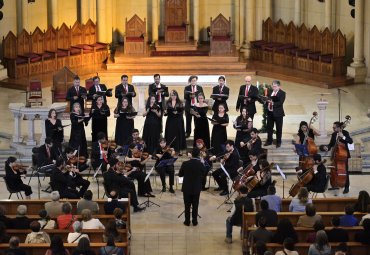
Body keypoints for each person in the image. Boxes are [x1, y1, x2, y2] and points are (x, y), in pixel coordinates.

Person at [322, 120, 353, 193]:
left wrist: (343, 137)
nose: (333, 129)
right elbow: (331, 144)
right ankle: (336, 183)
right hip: (336, 156)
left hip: (343, 155)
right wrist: (327, 147)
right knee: (335, 170)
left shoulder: (345, 133)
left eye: (334, 127)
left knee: (345, 171)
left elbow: (350, 141)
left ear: (339, 128)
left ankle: (346, 186)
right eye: (333, 127)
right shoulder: (333, 134)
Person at [178, 147, 206, 226]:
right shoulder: (200, 164)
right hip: (196, 187)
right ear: (198, 155)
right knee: (195, 205)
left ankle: (187, 221)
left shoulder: (185, 163)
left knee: (187, 205)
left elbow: (180, 175)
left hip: (186, 187)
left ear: (191, 154)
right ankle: (195, 221)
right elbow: (204, 174)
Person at [264, 80, 286, 148]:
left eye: (275, 86)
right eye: (273, 86)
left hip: (278, 114)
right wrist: (265, 101)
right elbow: (267, 99)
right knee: (269, 128)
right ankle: (269, 140)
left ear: (279, 86)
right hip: (270, 113)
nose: (273, 88)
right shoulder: (270, 92)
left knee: (279, 129)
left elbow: (280, 103)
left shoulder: (282, 93)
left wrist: (272, 103)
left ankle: (278, 142)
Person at [164, 90, 186, 154]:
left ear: (176, 95)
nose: (173, 96)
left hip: (178, 120)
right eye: (172, 95)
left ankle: (178, 149)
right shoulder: (168, 102)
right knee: (170, 133)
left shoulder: (180, 102)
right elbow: (166, 112)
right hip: (170, 120)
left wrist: (177, 112)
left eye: (174, 95)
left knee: (177, 134)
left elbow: (182, 111)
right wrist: (165, 112)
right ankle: (170, 148)